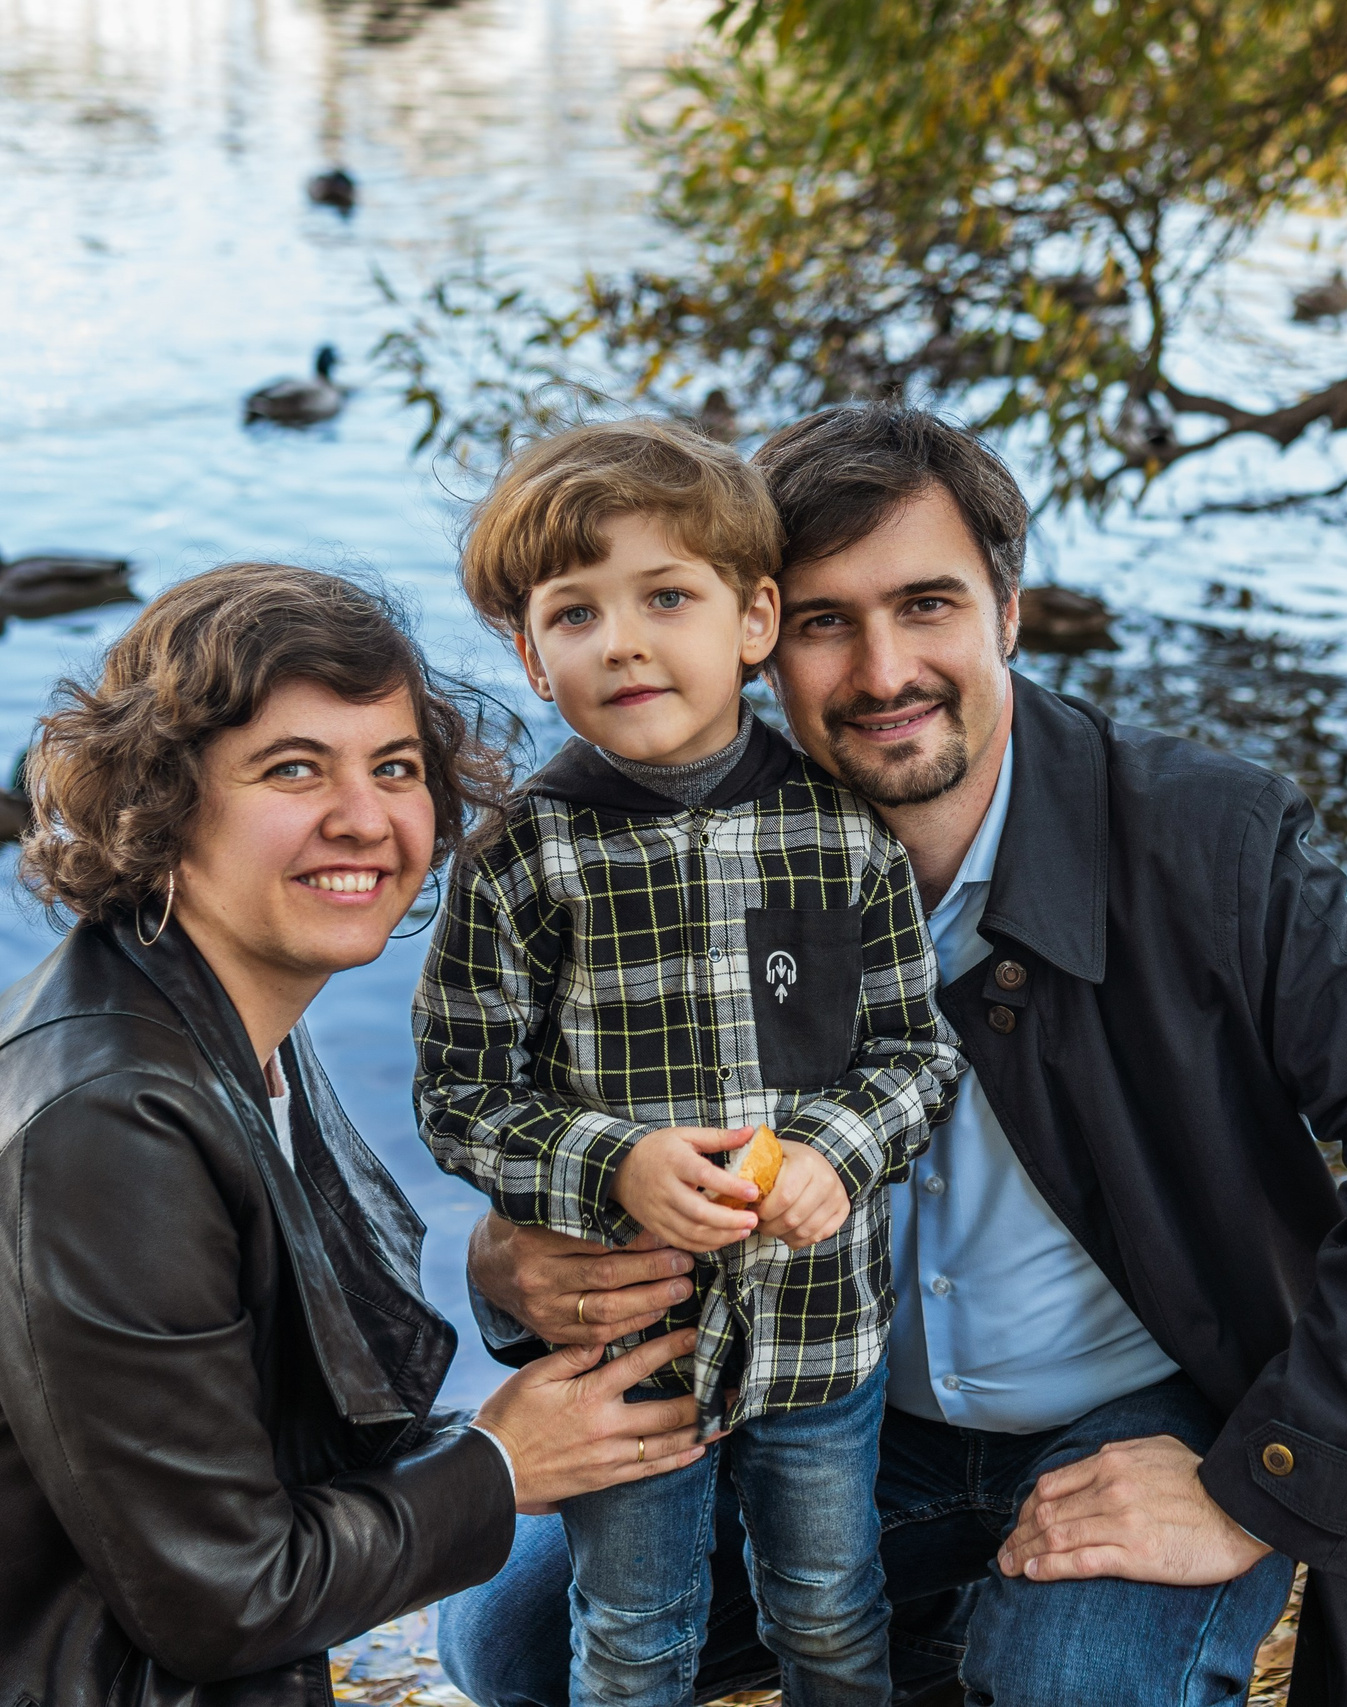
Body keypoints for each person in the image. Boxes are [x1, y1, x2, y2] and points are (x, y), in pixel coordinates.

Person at [438, 406, 1347, 1707]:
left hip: (1141, 1403)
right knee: (507, 1633)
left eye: (927, 604)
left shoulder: (1205, 834)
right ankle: (943, 1631)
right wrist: (503, 1259)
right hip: (843, 1411)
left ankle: (1024, 1635)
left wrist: (1265, 1479)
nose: (883, 669)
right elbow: (549, 1100)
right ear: (757, 638)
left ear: (1009, 611)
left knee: (1068, 1685)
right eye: (825, 621)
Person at [0, 565, 710, 1707]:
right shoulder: (99, 1123)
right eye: (293, 769)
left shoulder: (221, 1021)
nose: (365, 815)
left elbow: (246, 1441)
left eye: (394, 768)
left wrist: (507, 1313)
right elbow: (227, 1600)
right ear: (162, 806)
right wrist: (497, 1466)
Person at [415, 419, 965, 1707]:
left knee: (830, 1612)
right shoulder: (522, 857)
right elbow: (458, 1095)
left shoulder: (841, 830)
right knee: (633, 1634)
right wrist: (614, 1163)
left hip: (820, 1330)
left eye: (667, 596)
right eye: (575, 613)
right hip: (634, 1354)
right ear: (528, 655)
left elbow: (912, 1050)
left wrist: (834, 1149)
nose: (624, 641)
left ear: (754, 617)